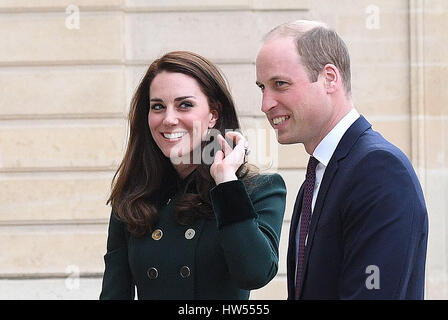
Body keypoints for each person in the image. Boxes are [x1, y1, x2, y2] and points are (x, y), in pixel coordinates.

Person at [255, 20, 428, 299]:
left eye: (280, 84)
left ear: (330, 78)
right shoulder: (319, 175)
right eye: (262, 87)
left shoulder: (379, 170)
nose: (266, 104)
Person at [100, 51, 286, 299]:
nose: (168, 119)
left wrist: (226, 181)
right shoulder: (134, 195)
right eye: (157, 107)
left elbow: (254, 273)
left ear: (213, 115)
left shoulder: (257, 188)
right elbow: (114, 293)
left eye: (184, 105)